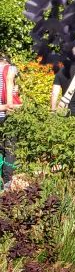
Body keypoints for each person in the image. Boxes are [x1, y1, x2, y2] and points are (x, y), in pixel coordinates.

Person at [0, 53, 22, 188]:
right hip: (7, 115)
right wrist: (10, 104)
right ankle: (7, 182)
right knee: (9, 148)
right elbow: (10, 103)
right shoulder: (10, 69)